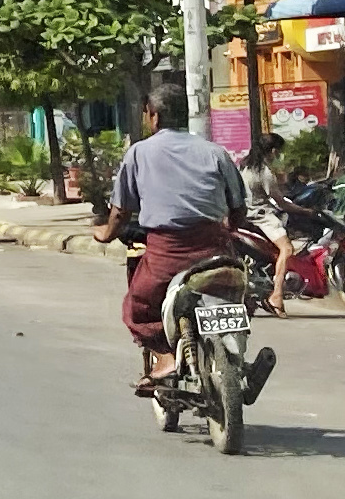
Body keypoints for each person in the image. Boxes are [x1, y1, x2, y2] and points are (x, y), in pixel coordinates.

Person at [96, 80, 251, 394]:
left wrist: (105, 234)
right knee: (232, 293)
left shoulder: (139, 153)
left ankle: (164, 357)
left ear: (153, 116)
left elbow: (120, 213)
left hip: (168, 252)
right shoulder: (216, 152)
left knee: (137, 306)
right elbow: (238, 209)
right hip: (216, 249)